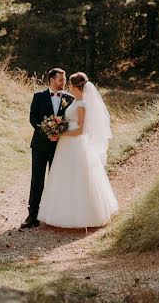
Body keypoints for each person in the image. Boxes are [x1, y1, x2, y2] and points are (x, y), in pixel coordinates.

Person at [37, 72, 119, 228]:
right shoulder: (76, 101)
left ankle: (84, 215)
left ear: (75, 86)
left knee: (78, 177)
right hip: (68, 144)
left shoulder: (81, 105)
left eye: (69, 84)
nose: (67, 86)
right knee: (66, 176)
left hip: (76, 143)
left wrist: (61, 134)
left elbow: (81, 130)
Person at [21, 68, 73, 229]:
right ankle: (33, 215)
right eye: (61, 80)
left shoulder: (70, 99)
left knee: (57, 180)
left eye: (64, 80)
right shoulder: (38, 96)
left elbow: (71, 121)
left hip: (61, 147)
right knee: (37, 180)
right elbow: (33, 119)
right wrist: (48, 134)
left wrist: (60, 134)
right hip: (40, 146)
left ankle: (55, 215)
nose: (64, 83)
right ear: (51, 80)